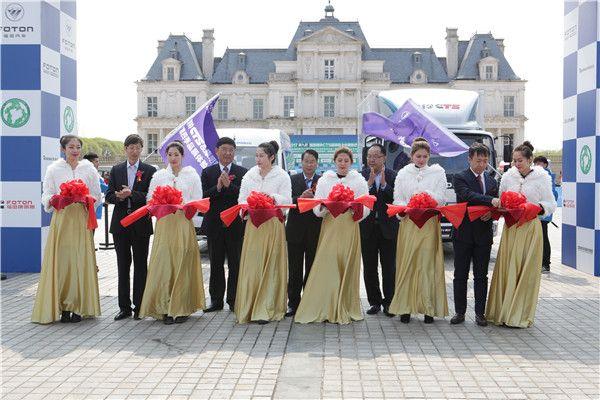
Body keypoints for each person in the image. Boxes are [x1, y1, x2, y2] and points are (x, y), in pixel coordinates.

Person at [295, 147, 370, 324]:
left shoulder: (359, 181)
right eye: (340, 160)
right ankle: (326, 305)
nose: (343, 163)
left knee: (346, 263)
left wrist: (354, 208)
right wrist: (325, 206)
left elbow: (366, 205)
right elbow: (317, 207)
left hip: (349, 226)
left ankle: (345, 305)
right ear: (334, 161)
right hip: (330, 226)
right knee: (327, 264)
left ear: (351, 162)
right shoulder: (325, 180)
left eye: (346, 160)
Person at [32, 135, 102, 324]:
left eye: (78, 147)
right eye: (71, 147)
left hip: (81, 220)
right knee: (62, 262)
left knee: (79, 260)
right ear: (63, 149)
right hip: (62, 220)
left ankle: (79, 306)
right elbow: (46, 194)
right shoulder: (53, 169)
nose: (75, 150)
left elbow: (97, 195)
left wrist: (86, 199)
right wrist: (54, 199)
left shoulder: (89, 169)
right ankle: (63, 307)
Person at [486, 141, 557, 328]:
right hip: (511, 229)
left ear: (530, 159)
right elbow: (501, 200)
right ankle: (503, 312)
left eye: (520, 160)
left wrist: (536, 207)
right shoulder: (508, 177)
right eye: (515, 161)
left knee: (526, 271)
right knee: (508, 268)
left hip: (530, 228)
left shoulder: (542, 178)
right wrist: (503, 205)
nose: (517, 164)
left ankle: (519, 315)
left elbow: (550, 204)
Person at [139, 142, 205, 324]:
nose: (173, 158)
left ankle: (182, 307)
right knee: (164, 263)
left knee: (182, 262)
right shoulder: (159, 176)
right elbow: (150, 200)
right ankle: (164, 307)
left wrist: (184, 205)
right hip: (165, 224)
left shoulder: (192, 175)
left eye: (176, 154)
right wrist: (162, 202)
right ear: (166, 156)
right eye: (170, 154)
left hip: (183, 223)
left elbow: (197, 200)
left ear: (182, 156)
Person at [388, 138, 448, 324]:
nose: (421, 159)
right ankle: (405, 308)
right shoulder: (403, 174)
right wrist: (407, 206)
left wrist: (427, 198)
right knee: (408, 263)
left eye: (425, 156)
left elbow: (442, 199)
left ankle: (428, 308)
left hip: (428, 224)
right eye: (418, 156)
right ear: (412, 156)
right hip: (408, 223)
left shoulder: (438, 173)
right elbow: (397, 198)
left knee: (427, 264)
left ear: (429, 156)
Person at [235, 141, 292, 324]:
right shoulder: (249, 176)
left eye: (262, 156)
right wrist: (251, 203)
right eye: (257, 156)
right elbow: (241, 200)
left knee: (270, 265)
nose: (258, 159)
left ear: (271, 157)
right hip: (253, 225)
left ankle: (267, 307)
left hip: (272, 224)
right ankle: (250, 306)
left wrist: (272, 198)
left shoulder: (282, 176)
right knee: (253, 265)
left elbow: (287, 201)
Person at [105, 134, 156, 321]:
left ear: (142, 149)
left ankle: (140, 306)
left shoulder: (149, 170)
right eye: (131, 148)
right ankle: (124, 307)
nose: (134, 151)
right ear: (125, 149)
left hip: (141, 224)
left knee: (141, 265)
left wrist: (131, 194)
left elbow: (151, 197)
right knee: (123, 266)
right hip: (120, 225)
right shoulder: (116, 169)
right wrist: (118, 196)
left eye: (137, 147)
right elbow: (108, 196)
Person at [450, 143, 500, 327]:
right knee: (460, 275)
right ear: (469, 159)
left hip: (483, 235)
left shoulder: (492, 181)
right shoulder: (460, 177)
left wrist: (491, 213)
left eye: (485, 161)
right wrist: (490, 201)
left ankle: (480, 313)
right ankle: (459, 312)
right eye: (478, 160)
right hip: (463, 234)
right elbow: (467, 195)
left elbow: (496, 207)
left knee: (481, 276)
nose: (482, 164)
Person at [200, 137, 248, 312]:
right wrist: (219, 187)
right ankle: (216, 300)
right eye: (224, 149)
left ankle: (234, 300)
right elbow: (203, 197)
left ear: (234, 152)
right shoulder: (208, 172)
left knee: (235, 263)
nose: (228, 153)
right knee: (216, 263)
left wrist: (230, 186)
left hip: (235, 225)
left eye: (231, 150)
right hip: (214, 225)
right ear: (217, 151)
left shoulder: (242, 172)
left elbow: (244, 197)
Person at [360, 144, 399, 317]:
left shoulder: (393, 175)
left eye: (376, 156)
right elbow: (358, 200)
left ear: (384, 158)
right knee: (369, 267)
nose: (372, 159)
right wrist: (368, 185)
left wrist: (384, 185)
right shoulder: (361, 176)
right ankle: (374, 302)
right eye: (369, 156)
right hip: (367, 228)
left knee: (389, 267)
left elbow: (397, 199)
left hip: (388, 228)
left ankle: (389, 302)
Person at [285, 149, 322, 317]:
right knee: (294, 269)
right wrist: (300, 198)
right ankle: (293, 303)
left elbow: (326, 202)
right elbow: (287, 200)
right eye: (306, 161)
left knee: (312, 268)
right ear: (301, 162)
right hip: (295, 230)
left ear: (317, 163)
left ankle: (309, 301)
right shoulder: (292, 179)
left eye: (312, 161)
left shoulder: (322, 181)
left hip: (315, 231)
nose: (309, 164)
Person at [533, 155, 558, 274]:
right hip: (536, 213)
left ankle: (546, 264)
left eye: (540, 163)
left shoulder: (547, 176)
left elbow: (552, 195)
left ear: (545, 164)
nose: (538, 166)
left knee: (543, 238)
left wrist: (542, 207)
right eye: (536, 163)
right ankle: (540, 263)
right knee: (538, 238)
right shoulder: (536, 176)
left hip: (543, 213)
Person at [83, 152, 109, 221]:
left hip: (91, 205)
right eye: (96, 161)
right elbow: (103, 187)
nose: (98, 164)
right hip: (91, 206)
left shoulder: (88, 173)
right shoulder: (91, 174)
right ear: (90, 163)